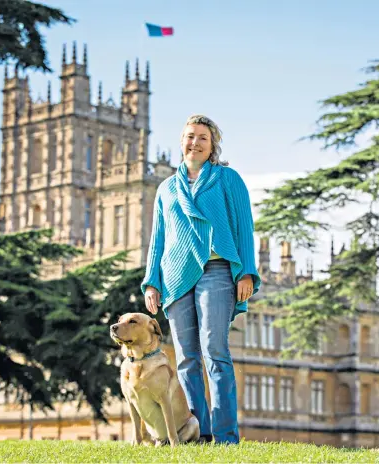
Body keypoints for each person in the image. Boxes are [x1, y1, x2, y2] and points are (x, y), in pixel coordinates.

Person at [141, 114, 261, 445]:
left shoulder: (227, 180)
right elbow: (158, 240)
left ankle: (225, 436)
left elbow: (243, 227)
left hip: (218, 271)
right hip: (177, 277)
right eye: (190, 136)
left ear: (212, 147)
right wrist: (152, 281)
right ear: (182, 142)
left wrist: (247, 271)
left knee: (215, 351)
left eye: (202, 138)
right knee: (186, 358)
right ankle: (198, 432)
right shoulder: (166, 188)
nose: (195, 142)